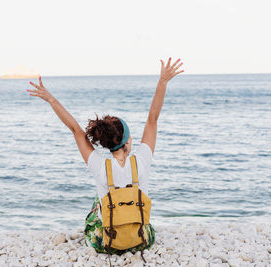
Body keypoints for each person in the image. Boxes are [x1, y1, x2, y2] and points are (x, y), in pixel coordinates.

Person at [26, 58, 184, 255]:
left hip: (108, 243)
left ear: (108, 145)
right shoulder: (142, 159)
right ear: (128, 142)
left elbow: (76, 130)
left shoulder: (99, 166)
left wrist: (51, 99)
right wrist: (162, 82)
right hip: (141, 240)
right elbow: (152, 119)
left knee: (98, 201)